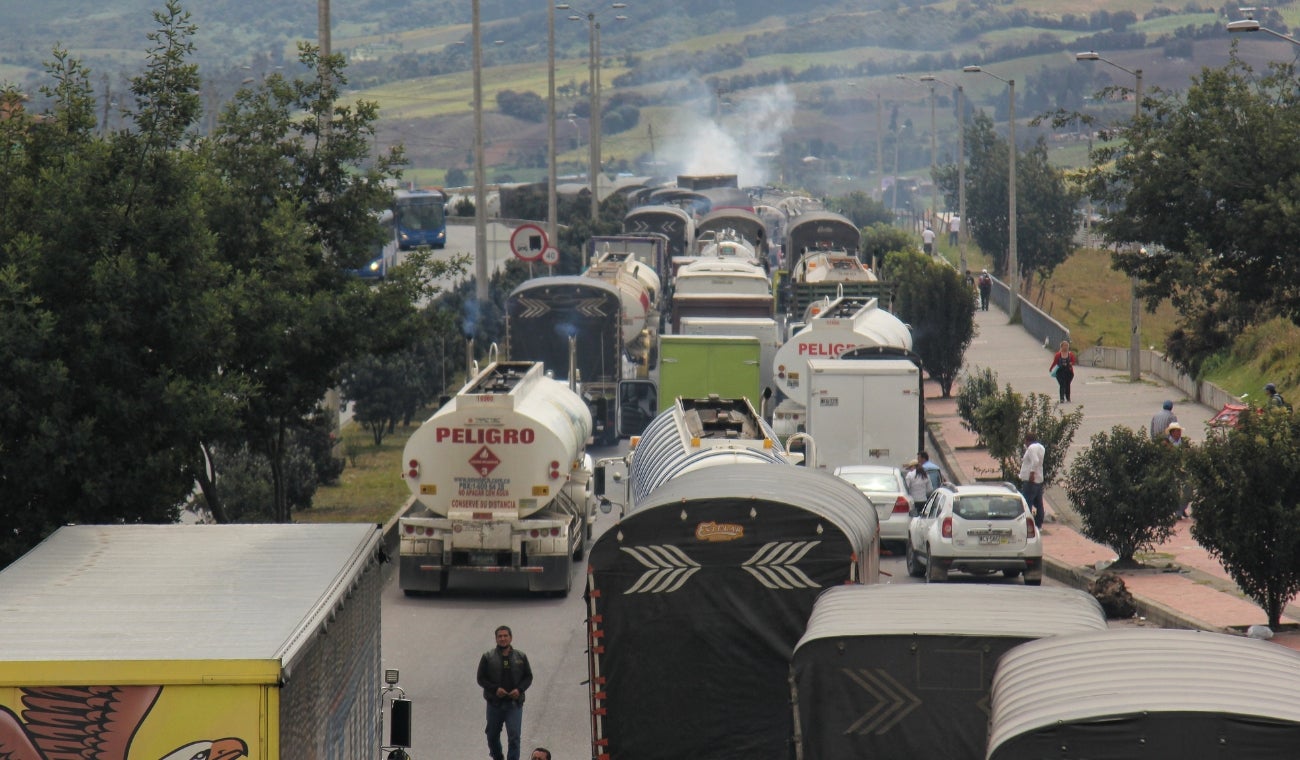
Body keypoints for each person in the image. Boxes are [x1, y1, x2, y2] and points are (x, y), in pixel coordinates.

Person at [478, 625, 534, 760]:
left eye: (505, 636)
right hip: (494, 704)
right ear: (496, 639)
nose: (503, 639)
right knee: (492, 736)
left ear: (511, 638)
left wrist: (519, 690)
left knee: (514, 737)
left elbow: (528, 677)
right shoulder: (487, 657)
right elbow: (481, 678)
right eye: (500, 636)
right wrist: (495, 689)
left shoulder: (521, 656)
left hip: (514, 704)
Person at [1019, 432, 1046, 528]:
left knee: (1027, 503)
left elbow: (1035, 461)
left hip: (1031, 480)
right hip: (1039, 479)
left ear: (1027, 440)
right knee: (1039, 503)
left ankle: (1028, 524)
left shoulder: (1031, 448)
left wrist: (1031, 473)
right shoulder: (1041, 447)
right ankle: (1039, 524)